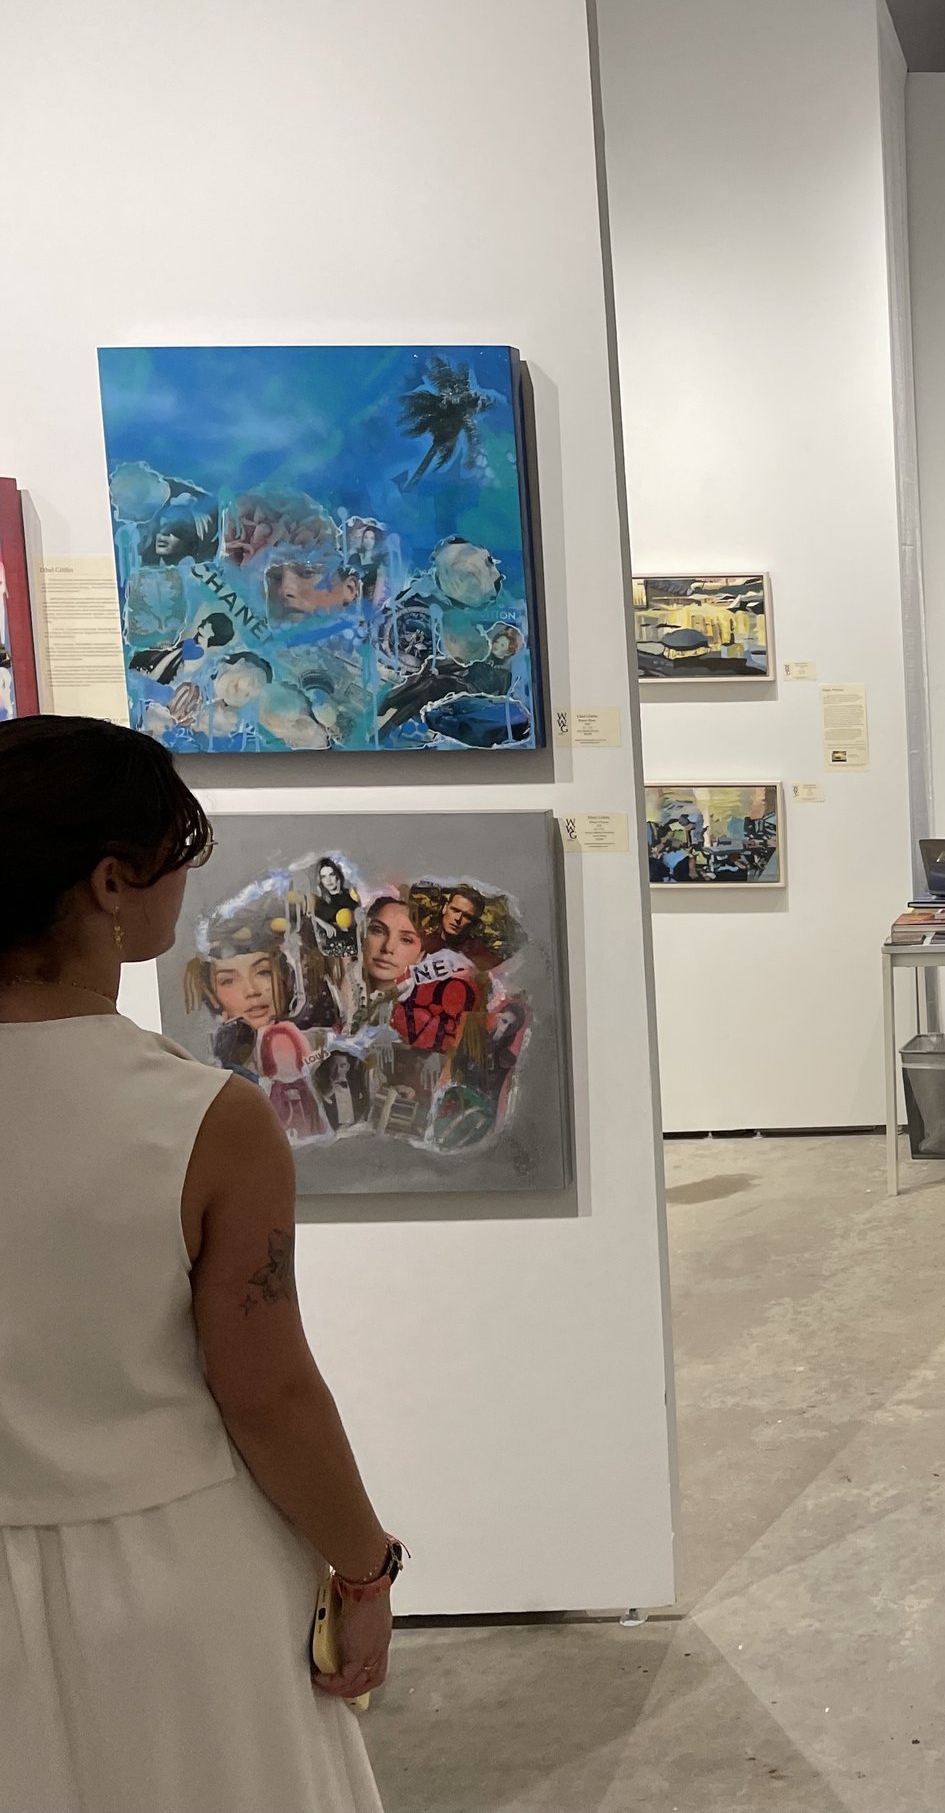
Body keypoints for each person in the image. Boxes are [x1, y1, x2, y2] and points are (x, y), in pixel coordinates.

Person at [0, 715, 393, 1811]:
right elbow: (265, 1390)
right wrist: (365, 1568)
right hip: (169, 1576)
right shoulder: (206, 1119)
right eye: (176, 857)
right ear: (110, 882)